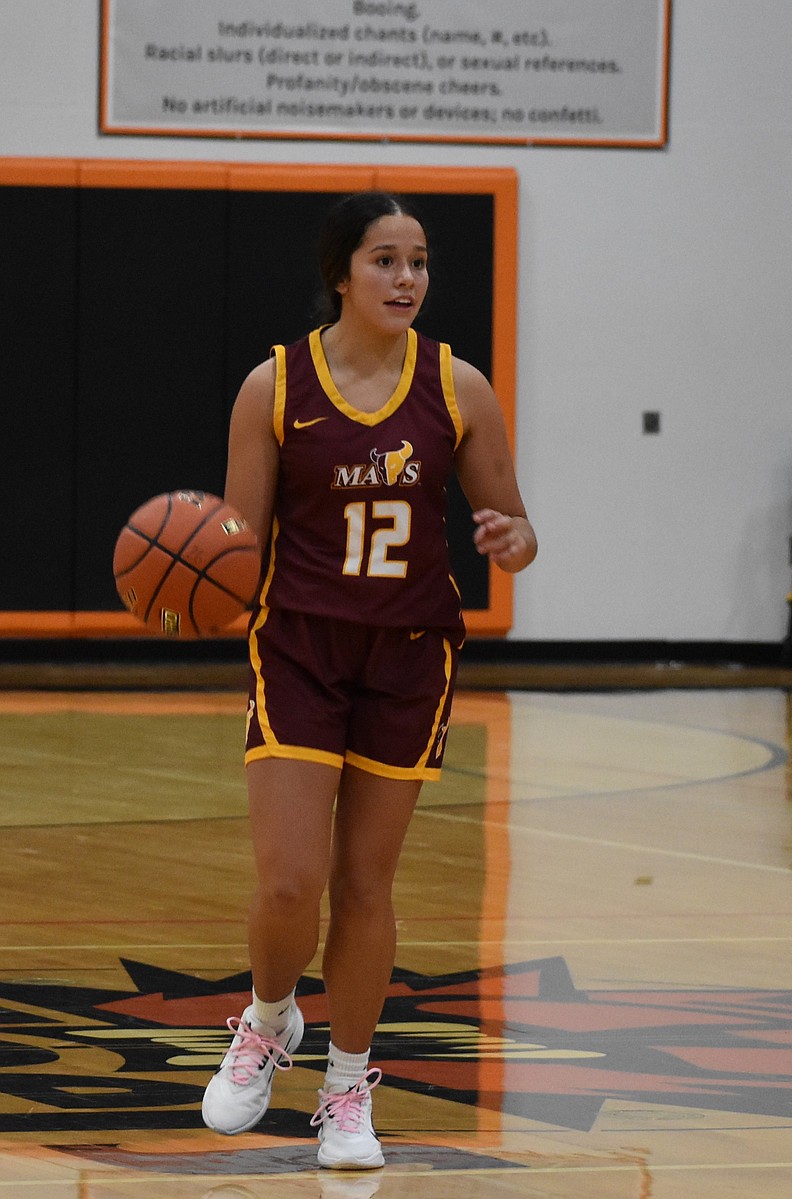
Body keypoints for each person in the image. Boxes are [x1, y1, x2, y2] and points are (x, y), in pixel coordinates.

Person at [200, 191, 537, 1170]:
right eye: (385, 260)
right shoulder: (273, 387)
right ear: (341, 273)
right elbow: (237, 545)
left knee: (364, 883)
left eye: (420, 261)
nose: (406, 279)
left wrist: (514, 536)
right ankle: (266, 1019)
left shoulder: (459, 387)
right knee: (292, 877)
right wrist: (187, 573)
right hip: (301, 648)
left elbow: (514, 532)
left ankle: (347, 1086)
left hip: (408, 658)